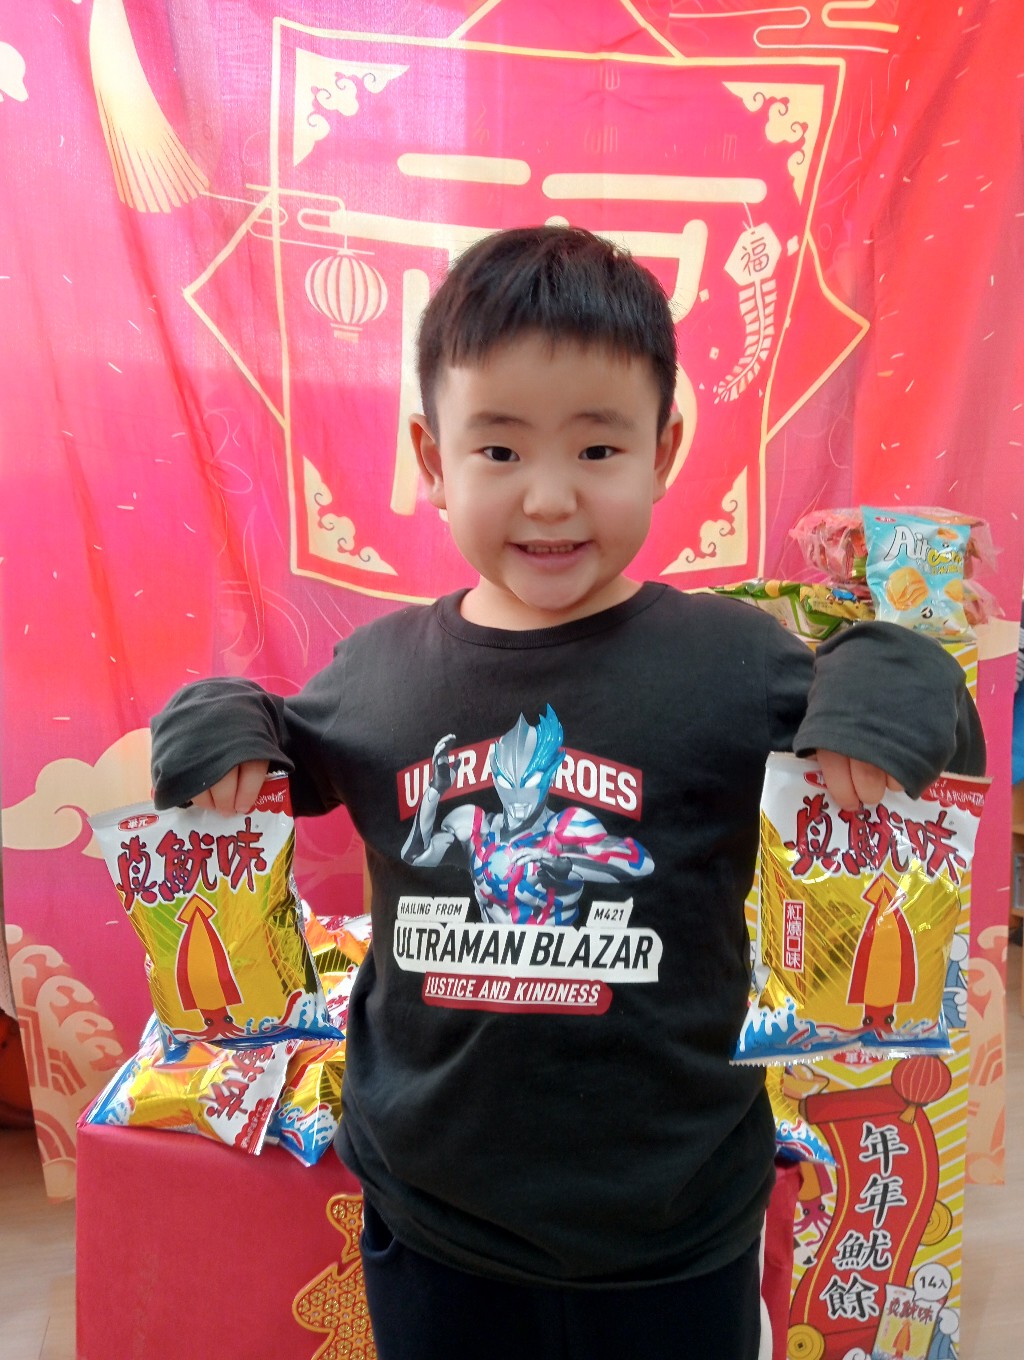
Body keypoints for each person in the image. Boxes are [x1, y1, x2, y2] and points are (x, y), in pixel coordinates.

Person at [150, 226, 985, 1359]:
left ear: (664, 447)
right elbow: (264, 740)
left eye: (597, 448)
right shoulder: (379, 673)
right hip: (436, 1225)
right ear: (432, 457)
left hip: (676, 1227)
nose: (549, 498)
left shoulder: (731, 662)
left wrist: (887, 682)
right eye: (499, 449)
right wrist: (210, 720)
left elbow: (925, 703)